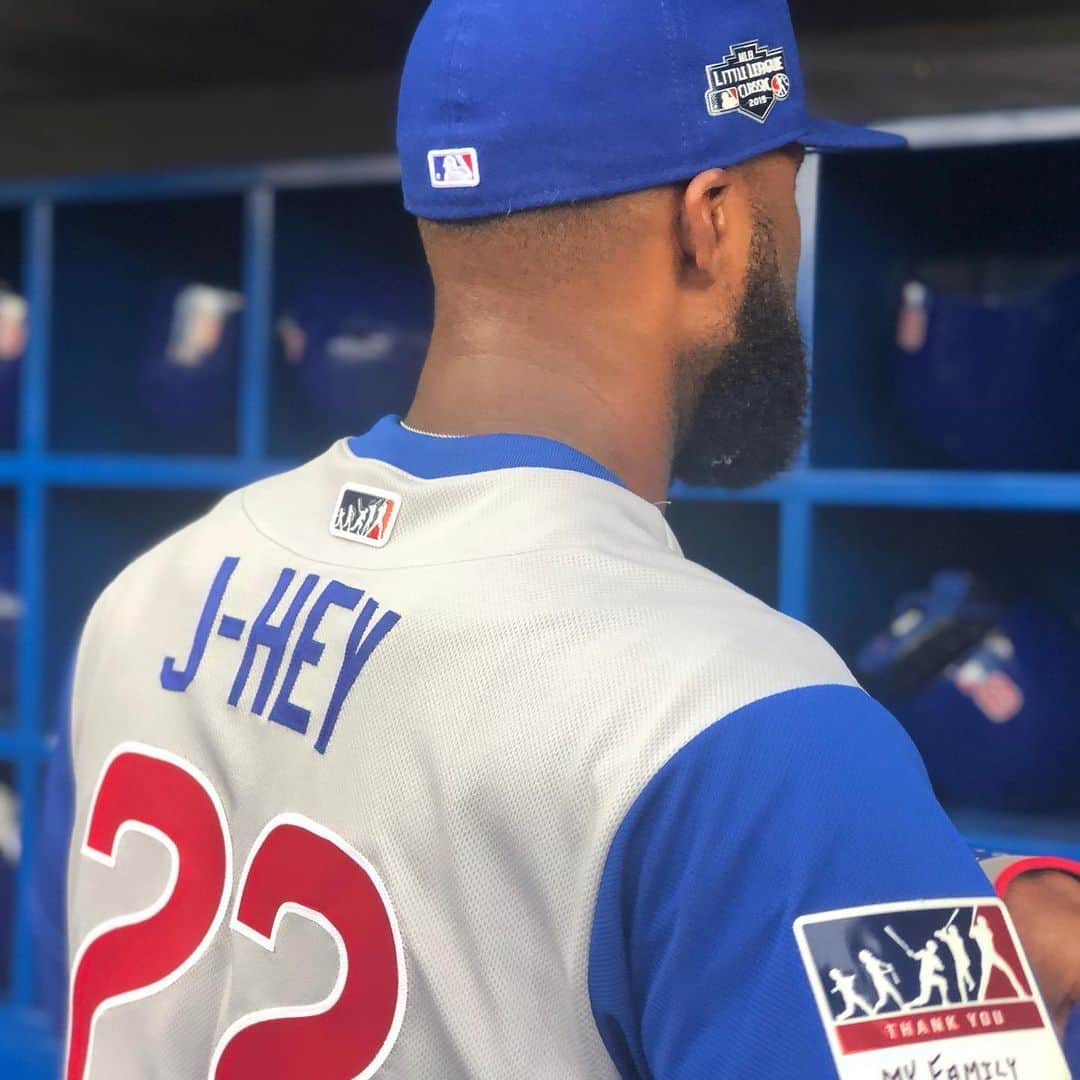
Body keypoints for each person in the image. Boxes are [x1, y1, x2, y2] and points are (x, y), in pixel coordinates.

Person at [44, 0, 1080, 1077]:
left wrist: (892, 887)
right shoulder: (757, 723)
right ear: (710, 222)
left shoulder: (150, 591)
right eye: (788, 191)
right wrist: (853, 865)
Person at [859, 948, 906, 1014]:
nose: (869, 952)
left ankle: (903, 1007)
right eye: (866, 953)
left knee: (892, 994)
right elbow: (878, 973)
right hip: (880, 981)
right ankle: (875, 1010)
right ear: (864, 958)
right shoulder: (868, 965)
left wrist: (887, 965)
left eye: (867, 952)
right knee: (886, 998)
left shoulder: (874, 960)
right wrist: (888, 971)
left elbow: (881, 964)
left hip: (884, 979)